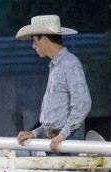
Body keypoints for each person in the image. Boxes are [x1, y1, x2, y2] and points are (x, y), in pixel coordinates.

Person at [15, 15, 92, 152]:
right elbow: (58, 112)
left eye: (35, 41)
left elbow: (83, 103)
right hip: (58, 139)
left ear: (44, 39)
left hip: (65, 141)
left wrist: (62, 135)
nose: (33, 46)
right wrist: (35, 133)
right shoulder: (58, 65)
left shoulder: (69, 64)